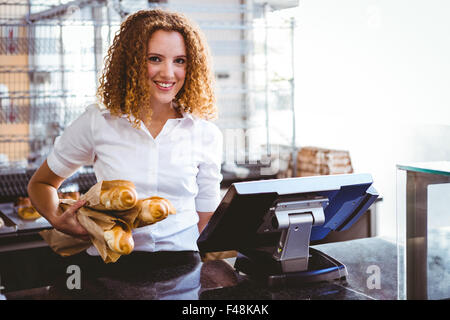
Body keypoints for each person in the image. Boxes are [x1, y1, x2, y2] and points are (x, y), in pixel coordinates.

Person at [27, 9, 223, 256]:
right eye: (154, 58)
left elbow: (207, 217)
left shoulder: (205, 133)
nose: (168, 72)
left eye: (179, 61)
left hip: (183, 266)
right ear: (131, 62)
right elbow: (41, 183)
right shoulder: (98, 122)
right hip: (111, 266)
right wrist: (58, 219)